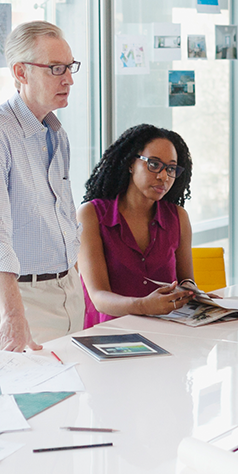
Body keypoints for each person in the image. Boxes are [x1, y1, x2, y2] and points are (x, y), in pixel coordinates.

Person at [0, 21, 85, 351]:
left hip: (68, 291)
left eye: (70, 68)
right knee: (38, 398)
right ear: (21, 72)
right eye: (56, 69)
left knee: (77, 396)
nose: (68, 79)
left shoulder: (56, 132)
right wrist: (12, 315)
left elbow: (62, 215)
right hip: (21, 299)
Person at [76, 124, 197, 327]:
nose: (163, 177)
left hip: (169, 333)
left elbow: (187, 281)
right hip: (110, 337)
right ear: (131, 163)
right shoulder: (91, 215)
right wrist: (144, 306)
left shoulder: (178, 218)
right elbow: (98, 297)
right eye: (154, 164)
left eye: (171, 169)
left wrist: (195, 296)